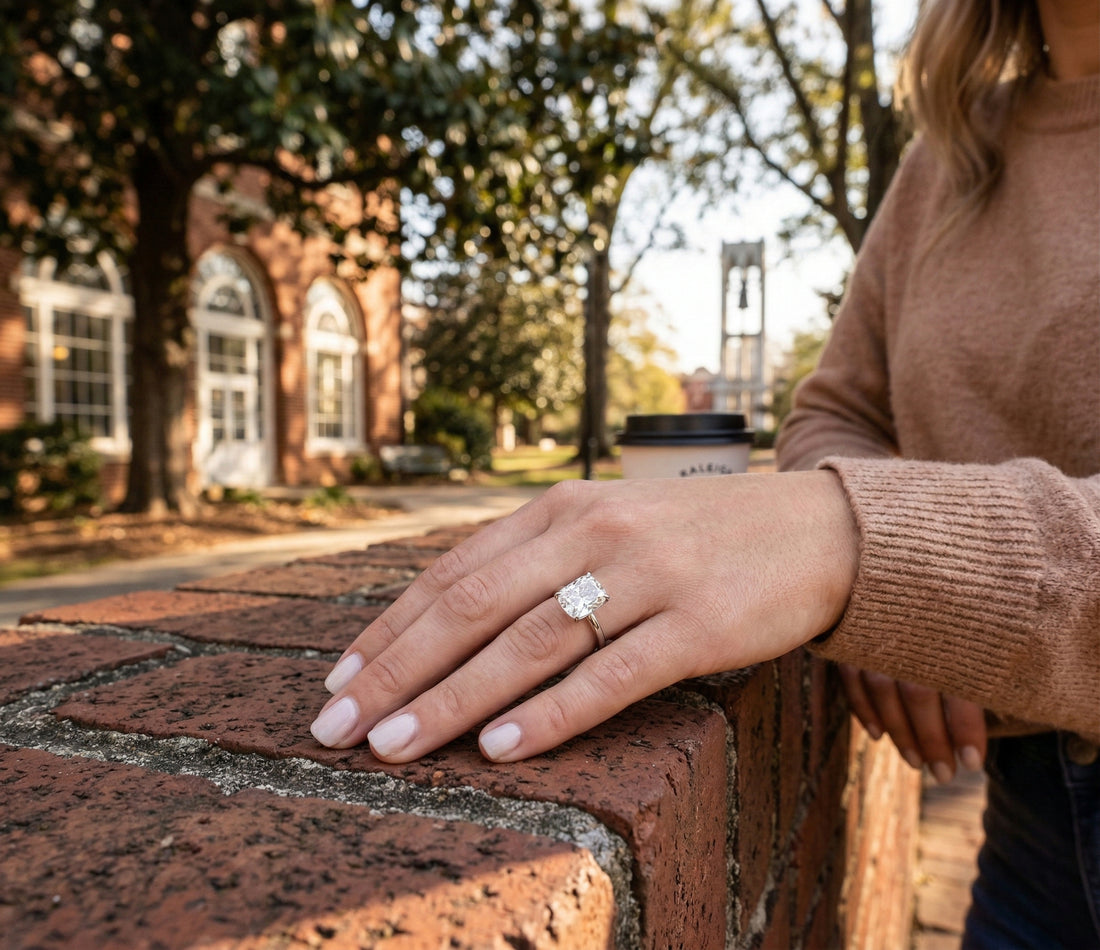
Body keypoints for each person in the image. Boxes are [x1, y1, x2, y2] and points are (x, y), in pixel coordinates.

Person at [310, 0, 1099, 944]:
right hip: (1029, 818)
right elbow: (835, 410)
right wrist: (930, 602)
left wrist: (891, 555)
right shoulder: (949, 151)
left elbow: (887, 533)